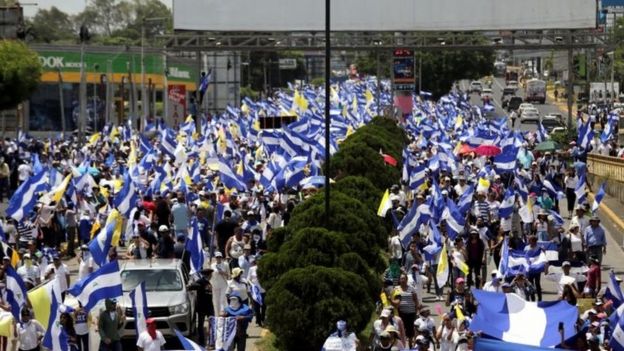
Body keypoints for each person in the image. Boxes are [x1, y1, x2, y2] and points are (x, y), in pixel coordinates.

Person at [186, 268, 214, 346]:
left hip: (209, 307)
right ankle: (201, 341)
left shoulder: (208, 282)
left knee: (212, 323)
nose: (211, 275)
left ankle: (211, 340)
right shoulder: (201, 282)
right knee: (201, 325)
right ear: (208, 275)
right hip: (202, 307)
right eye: (211, 274)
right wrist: (188, 286)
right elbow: (193, 286)